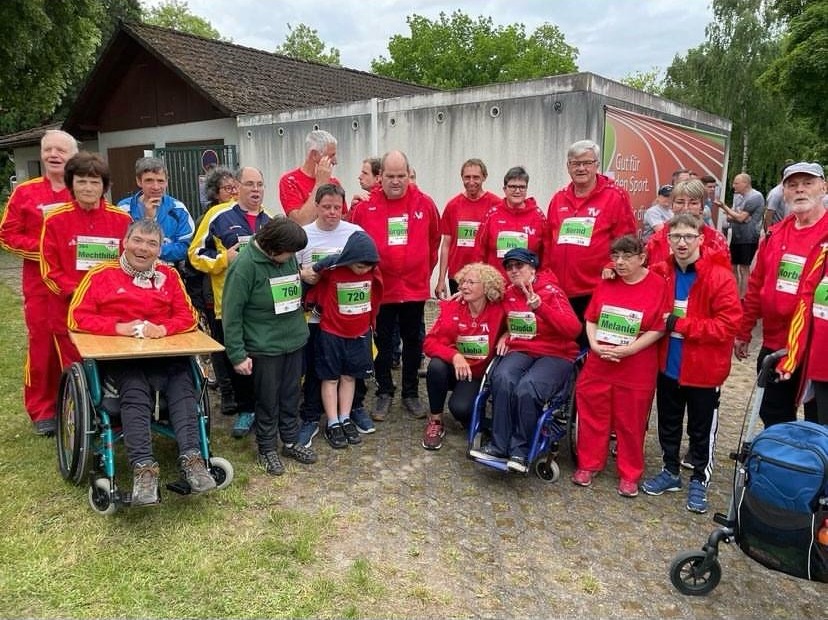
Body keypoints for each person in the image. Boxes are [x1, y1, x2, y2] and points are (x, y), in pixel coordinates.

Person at [67, 219, 216, 506]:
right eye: (138, 240)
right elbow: (76, 317)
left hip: (163, 353)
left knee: (184, 382)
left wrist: (164, 329)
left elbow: (187, 317)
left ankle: (193, 459)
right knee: (134, 388)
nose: (143, 248)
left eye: (152, 243)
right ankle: (144, 468)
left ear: (160, 249)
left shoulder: (169, 276)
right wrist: (120, 327)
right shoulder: (101, 275)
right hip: (122, 357)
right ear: (125, 241)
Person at [641, 214, 741, 514]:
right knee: (669, 424)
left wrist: (682, 325)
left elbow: (727, 325)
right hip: (668, 366)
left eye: (688, 237)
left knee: (701, 429)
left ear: (701, 239)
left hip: (703, 371)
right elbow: (632, 269)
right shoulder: (662, 271)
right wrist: (610, 269)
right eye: (675, 237)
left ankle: (700, 478)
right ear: (668, 241)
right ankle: (670, 472)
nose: (681, 243)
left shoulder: (719, 276)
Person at [571, 235, 670, 497]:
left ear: (642, 258)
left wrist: (630, 349)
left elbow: (660, 327)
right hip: (600, 359)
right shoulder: (608, 282)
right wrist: (592, 343)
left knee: (631, 420)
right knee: (592, 412)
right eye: (616, 257)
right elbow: (590, 318)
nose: (620, 262)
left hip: (636, 363)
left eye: (627, 257)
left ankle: (629, 473)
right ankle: (588, 463)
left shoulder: (658, 285)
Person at [469, 248, 582, 473]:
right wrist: (504, 333)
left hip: (555, 352)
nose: (513, 271)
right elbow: (491, 315)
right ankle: (499, 445)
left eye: (519, 266)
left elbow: (573, 329)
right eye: (509, 267)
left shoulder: (551, 291)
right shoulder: (508, 293)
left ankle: (520, 449)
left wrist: (541, 307)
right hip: (522, 349)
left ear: (532, 268)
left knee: (527, 387)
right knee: (502, 377)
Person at [349, 150, 440, 421]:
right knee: (382, 342)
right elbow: (355, 244)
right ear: (381, 177)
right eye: (390, 176)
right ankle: (384, 391)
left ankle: (410, 392)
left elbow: (433, 241)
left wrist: (423, 270)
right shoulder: (365, 208)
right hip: (381, 289)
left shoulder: (425, 204)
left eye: (401, 176)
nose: (396, 181)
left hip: (413, 289)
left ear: (408, 174)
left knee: (414, 341)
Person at [222, 217, 317, 475]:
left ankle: (290, 440)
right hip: (264, 346)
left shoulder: (286, 258)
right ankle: (266, 448)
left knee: (290, 395)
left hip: (293, 341)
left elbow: (289, 289)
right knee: (267, 399)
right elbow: (232, 314)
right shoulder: (244, 266)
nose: (292, 257)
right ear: (274, 247)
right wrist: (237, 354)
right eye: (290, 252)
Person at [736, 162, 827, 426]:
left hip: (818, 349)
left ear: (823, 187)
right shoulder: (775, 236)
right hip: (777, 344)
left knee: (820, 425)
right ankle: (779, 465)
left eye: (807, 183)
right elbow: (755, 286)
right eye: (792, 185)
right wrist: (744, 331)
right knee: (773, 417)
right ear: (783, 192)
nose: (800, 190)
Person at [0, 129, 77, 435]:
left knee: (76, 345)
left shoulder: (83, 190)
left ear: (72, 156)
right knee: (43, 347)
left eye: (61, 150)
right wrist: (45, 250)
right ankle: (43, 409)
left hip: (77, 285)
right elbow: (7, 234)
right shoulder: (26, 193)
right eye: (49, 150)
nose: (54, 155)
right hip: (41, 287)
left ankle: (76, 403)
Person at [188, 166, 271, 438]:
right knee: (238, 358)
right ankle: (246, 410)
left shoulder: (269, 220)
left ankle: (264, 408)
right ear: (238, 186)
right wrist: (225, 260)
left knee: (261, 359)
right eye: (249, 184)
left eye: (259, 184)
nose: (255, 189)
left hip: (261, 307)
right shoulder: (217, 215)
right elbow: (195, 254)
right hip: (229, 304)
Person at [295, 183, 372, 448]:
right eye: (326, 207)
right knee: (319, 371)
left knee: (352, 371)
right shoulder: (303, 236)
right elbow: (291, 273)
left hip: (353, 316)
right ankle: (311, 417)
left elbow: (370, 266)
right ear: (316, 206)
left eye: (337, 208)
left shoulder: (356, 233)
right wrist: (304, 275)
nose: (331, 212)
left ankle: (349, 413)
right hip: (317, 317)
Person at [40, 151, 132, 372]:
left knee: (113, 371)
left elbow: (129, 264)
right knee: (74, 371)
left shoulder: (122, 219)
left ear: (104, 186)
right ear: (71, 184)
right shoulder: (55, 220)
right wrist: (77, 292)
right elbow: (49, 270)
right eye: (81, 181)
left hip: (111, 309)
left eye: (94, 182)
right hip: (68, 310)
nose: (88, 188)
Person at [543, 139, 637, 339]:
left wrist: (613, 265)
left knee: (590, 348)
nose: (581, 168)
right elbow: (548, 242)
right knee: (564, 347)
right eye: (575, 163)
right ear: (568, 167)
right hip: (560, 291)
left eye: (587, 162)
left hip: (595, 289)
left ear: (597, 165)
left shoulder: (615, 196)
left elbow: (627, 240)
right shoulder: (558, 198)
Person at [310, 231, 383, 449]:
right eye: (359, 265)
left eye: (368, 266)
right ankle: (332, 422)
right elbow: (315, 270)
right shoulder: (334, 269)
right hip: (331, 332)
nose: (364, 270)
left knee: (350, 377)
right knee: (330, 378)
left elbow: (377, 295)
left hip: (359, 333)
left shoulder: (372, 272)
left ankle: (345, 417)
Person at [421, 262, 505, 451]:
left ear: (487, 287)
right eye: (463, 282)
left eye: (471, 282)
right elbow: (429, 343)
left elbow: (519, 312)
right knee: (435, 366)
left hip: (476, 374)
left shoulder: (498, 310)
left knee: (460, 409)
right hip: (454, 369)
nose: (464, 286)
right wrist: (454, 356)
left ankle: (478, 416)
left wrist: (507, 335)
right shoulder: (453, 307)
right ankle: (435, 421)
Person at [778, 233, 828, 424]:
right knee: (818, 436)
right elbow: (804, 309)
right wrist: (792, 358)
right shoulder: (824, 255)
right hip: (820, 369)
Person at [435, 159, 502, 298]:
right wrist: (441, 279)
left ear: (484, 177)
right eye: (467, 177)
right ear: (462, 178)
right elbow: (446, 245)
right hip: (458, 276)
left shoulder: (496, 205)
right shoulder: (452, 206)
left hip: (484, 276)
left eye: (476, 177)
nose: (471, 181)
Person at [116, 156, 194, 267]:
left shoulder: (178, 209)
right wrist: (147, 219)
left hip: (169, 273)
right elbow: (120, 244)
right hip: (130, 273)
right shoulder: (124, 209)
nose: (156, 187)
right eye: (149, 180)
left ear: (167, 182)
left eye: (160, 181)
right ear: (139, 181)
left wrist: (153, 250)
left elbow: (186, 248)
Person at [475, 166, 545, 278]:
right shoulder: (492, 215)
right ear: (504, 189)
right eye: (512, 186)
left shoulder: (538, 216)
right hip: (496, 285)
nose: (517, 191)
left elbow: (545, 255)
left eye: (522, 187)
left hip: (526, 286)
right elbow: (479, 252)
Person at [645, 180, 730, 266]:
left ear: (702, 207)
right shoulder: (656, 240)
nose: (685, 208)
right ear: (672, 206)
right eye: (680, 202)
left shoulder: (715, 239)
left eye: (693, 203)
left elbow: (724, 275)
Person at [278, 129, 344, 225]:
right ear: (314, 154)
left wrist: (356, 207)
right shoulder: (290, 181)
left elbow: (342, 221)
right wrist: (320, 184)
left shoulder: (334, 183)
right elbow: (301, 222)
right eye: (331, 156)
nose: (335, 161)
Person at [717, 173, 765, 299]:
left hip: (749, 237)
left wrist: (724, 207)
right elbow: (734, 217)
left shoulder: (755, 197)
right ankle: (734, 294)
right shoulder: (738, 197)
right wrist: (736, 216)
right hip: (736, 236)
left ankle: (744, 297)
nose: (733, 186)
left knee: (744, 268)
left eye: (736, 183)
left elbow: (739, 217)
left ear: (745, 183)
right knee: (732, 266)